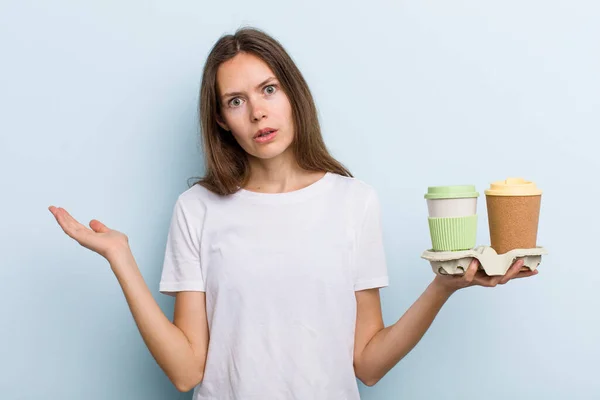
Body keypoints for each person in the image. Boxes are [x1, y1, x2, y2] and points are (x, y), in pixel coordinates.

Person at [48, 27, 537, 399]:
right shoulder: (196, 209)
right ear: (221, 120)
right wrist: (121, 259)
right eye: (236, 101)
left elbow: (366, 363)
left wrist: (443, 286)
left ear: (291, 94)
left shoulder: (354, 201)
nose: (257, 112)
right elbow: (185, 372)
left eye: (268, 90)